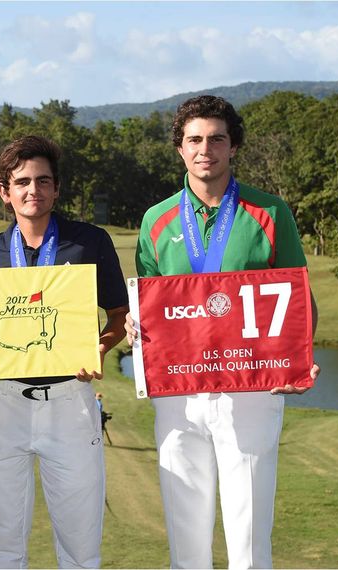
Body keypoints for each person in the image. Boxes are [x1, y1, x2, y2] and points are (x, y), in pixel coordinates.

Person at [124, 95, 320, 569]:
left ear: (233, 147)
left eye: (216, 139)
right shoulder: (157, 220)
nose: (204, 149)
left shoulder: (270, 211)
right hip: (179, 393)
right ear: (180, 149)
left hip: (250, 388)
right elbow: (151, 307)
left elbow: (299, 300)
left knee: (249, 541)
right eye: (194, 139)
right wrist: (135, 323)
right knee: (185, 543)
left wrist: (297, 356)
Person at [0, 135, 128, 568]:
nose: (34, 190)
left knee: (81, 549)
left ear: (57, 188)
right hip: (3, 405)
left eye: (43, 181)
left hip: (70, 402)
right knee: (0, 546)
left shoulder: (89, 242)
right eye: (22, 181)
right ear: (4, 191)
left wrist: (99, 348)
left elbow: (119, 317)